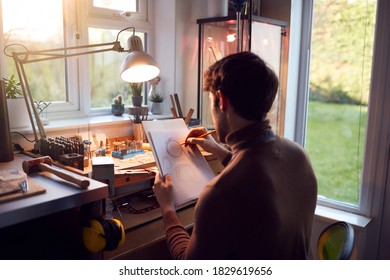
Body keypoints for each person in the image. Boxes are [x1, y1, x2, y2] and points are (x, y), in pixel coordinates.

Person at [152, 51, 318, 259]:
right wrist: (219, 150)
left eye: (211, 102)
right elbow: (257, 176)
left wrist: (168, 208)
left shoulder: (219, 194)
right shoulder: (299, 155)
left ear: (221, 101)